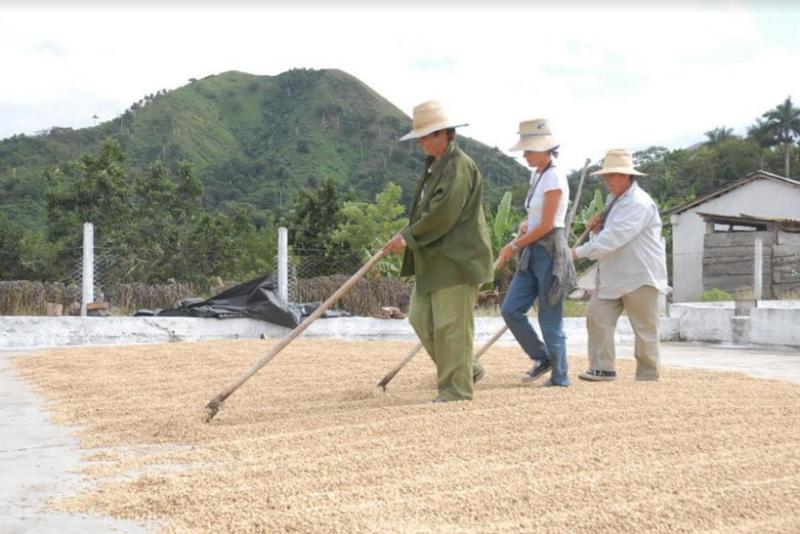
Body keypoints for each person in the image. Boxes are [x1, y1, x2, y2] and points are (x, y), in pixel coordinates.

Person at [384, 100, 493, 402]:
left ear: (445, 133)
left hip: (457, 260)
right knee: (420, 318)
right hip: (434, 259)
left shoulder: (458, 167)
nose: (421, 142)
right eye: (420, 136)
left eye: (427, 135)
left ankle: (456, 390)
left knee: (451, 327)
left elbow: (443, 213)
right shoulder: (436, 165)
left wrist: (408, 237)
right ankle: (466, 367)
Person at [572, 148, 668, 382]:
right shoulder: (612, 201)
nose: (608, 181)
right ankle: (602, 368)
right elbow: (606, 237)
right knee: (597, 317)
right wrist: (596, 232)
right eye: (606, 176)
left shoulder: (639, 203)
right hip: (612, 274)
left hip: (640, 275)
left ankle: (647, 376)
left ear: (627, 176)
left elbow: (614, 238)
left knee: (645, 329)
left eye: (612, 175)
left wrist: (577, 253)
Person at [497, 119, 575, 387]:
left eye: (529, 151)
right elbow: (537, 218)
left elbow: (547, 225)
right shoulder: (537, 174)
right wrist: (524, 226)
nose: (525, 156)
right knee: (510, 309)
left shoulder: (553, 176)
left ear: (545, 150)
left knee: (549, 316)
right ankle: (542, 357)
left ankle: (560, 377)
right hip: (532, 249)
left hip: (550, 250)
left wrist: (514, 245)